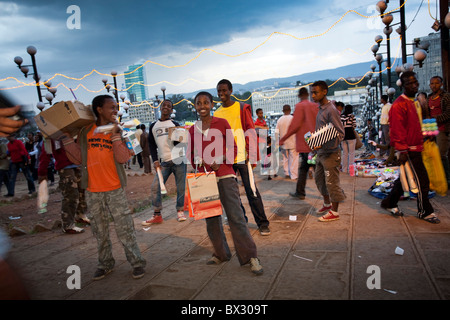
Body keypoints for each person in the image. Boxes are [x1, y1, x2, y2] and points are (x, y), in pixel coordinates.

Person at [62, 94, 146, 280]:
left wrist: (116, 136)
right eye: (111, 107)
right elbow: (78, 158)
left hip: (115, 189)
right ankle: (105, 264)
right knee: (100, 232)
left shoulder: (123, 131)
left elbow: (125, 158)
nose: (115, 110)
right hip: (93, 190)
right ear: (99, 109)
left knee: (125, 229)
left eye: (116, 107)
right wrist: (67, 141)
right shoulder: (85, 131)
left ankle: (137, 263)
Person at [188, 91, 263, 275]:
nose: (202, 106)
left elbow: (233, 149)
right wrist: (200, 161)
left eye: (206, 102)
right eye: (199, 103)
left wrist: (219, 160)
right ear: (195, 106)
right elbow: (191, 155)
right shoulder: (192, 129)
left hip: (225, 175)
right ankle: (221, 253)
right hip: (203, 179)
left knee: (236, 217)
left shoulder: (221, 123)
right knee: (211, 221)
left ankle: (251, 256)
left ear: (212, 105)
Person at [380, 71, 439, 224]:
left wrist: (427, 135)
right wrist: (402, 150)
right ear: (403, 86)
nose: (413, 86)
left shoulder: (416, 102)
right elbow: (397, 129)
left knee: (404, 180)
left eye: (415, 82)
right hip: (409, 149)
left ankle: (389, 202)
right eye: (409, 83)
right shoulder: (399, 104)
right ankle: (425, 210)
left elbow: (418, 122)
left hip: (416, 146)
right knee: (422, 180)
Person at [214, 79, 271, 236]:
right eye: (219, 91)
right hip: (226, 160)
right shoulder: (217, 113)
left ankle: (263, 223)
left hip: (242, 157)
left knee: (252, 191)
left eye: (224, 90)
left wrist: (252, 156)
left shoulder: (240, 107)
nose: (221, 94)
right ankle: (241, 222)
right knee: (232, 195)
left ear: (231, 91)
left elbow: (250, 130)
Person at [142, 99, 187, 225]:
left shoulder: (175, 124)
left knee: (181, 187)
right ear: (160, 108)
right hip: (164, 162)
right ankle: (157, 214)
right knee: (156, 187)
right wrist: (155, 160)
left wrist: (181, 138)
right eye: (164, 105)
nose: (166, 107)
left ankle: (180, 211)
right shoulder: (153, 126)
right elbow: (151, 145)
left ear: (171, 110)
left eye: (169, 106)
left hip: (178, 160)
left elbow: (180, 143)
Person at [310, 81, 346, 222]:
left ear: (324, 92)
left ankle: (335, 212)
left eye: (315, 92)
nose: (313, 95)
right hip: (321, 153)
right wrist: (315, 141)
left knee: (332, 183)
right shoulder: (321, 108)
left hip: (331, 154)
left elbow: (340, 133)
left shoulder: (331, 109)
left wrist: (322, 142)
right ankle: (327, 204)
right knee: (320, 180)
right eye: (312, 92)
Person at [38, 139, 89, 234]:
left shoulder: (71, 129)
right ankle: (68, 224)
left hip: (78, 164)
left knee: (83, 190)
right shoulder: (51, 134)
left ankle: (80, 215)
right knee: (71, 195)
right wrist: (42, 171)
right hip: (65, 167)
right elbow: (46, 153)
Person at [280, 87, 318, 200]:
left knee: (314, 168)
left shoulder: (300, 106)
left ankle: (331, 192)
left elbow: (295, 125)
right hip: (314, 143)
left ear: (299, 95)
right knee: (306, 167)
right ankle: (300, 191)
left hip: (306, 145)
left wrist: (283, 138)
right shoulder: (314, 106)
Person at [425, 76, 450, 185]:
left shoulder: (446, 97)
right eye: (431, 83)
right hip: (431, 130)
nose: (433, 85)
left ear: (441, 84)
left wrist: (435, 118)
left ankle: (446, 179)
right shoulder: (429, 98)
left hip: (443, 129)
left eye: (436, 83)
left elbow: (448, 114)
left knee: (441, 155)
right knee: (432, 155)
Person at [276, 104, 298, 180]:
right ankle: (294, 175)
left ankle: (287, 173)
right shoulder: (293, 118)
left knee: (285, 158)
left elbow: (276, 132)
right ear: (290, 110)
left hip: (283, 142)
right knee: (294, 159)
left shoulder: (279, 120)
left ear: (283, 111)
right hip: (293, 142)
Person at [340, 104, 357, 174]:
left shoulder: (341, 116)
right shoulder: (352, 116)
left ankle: (344, 170)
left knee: (344, 154)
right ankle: (351, 170)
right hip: (351, 136)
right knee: (351, 153)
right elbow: (354, 126)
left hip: (343, 137)